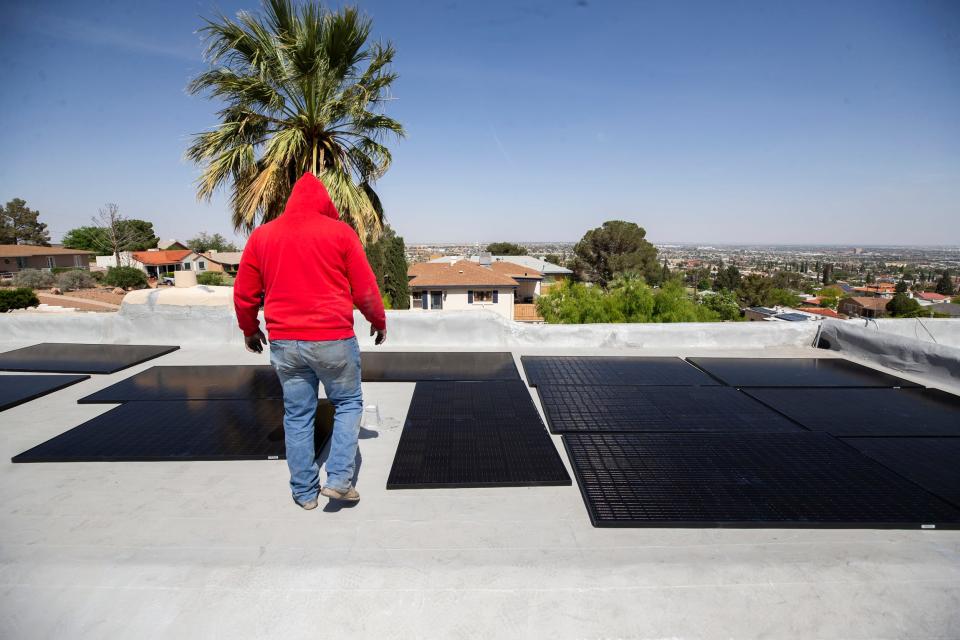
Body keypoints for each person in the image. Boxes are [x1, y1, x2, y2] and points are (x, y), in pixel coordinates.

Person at [233, 172, 387, 510]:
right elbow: (365, 288)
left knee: (298, 414)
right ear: (324, 203)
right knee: (347, 404)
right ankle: (339, 481)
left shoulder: (263, 236)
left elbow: (244, 293)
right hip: (332, 338)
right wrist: (378, 320)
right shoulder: (339, 233)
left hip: (285, 343)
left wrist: (249, 329)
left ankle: (304, 493)